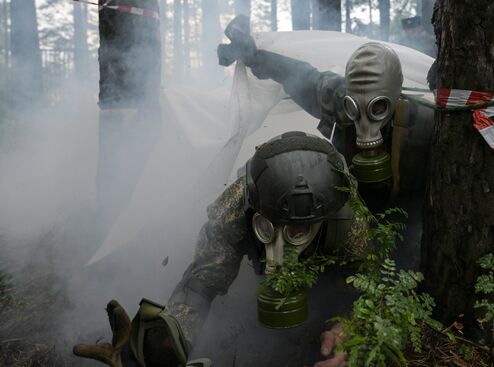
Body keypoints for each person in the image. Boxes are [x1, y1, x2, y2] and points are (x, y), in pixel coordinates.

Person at [74, 131, 369, 367]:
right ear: (252, 210)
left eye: (296, 232)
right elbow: (202, 284)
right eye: (268, 229)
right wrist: (161, 344)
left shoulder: (347, 222)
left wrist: (350, 330)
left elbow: (367, 289)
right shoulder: (235, 211)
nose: (279, 250)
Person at [218, 15, 434, 270]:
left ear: (397, 97)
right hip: (352, 216)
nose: (363, 122)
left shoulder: (427, 124)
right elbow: (302, 76)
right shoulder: (340, 101)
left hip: (409, 221)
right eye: (354, 108)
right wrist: (253, 56)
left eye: (378, 107)